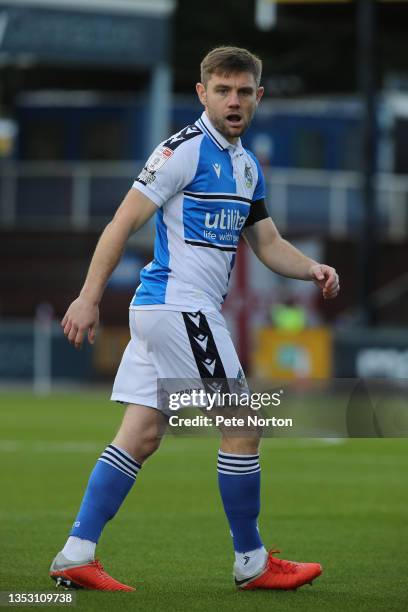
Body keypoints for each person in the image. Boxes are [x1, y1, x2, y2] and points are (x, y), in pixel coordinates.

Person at [50, 46, 340, 592]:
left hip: (167, 313)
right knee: (243, 425)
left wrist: (311, 269)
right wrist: (87, 297)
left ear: (260, 96)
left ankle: (75, 555)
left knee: (141, 435)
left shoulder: (246, 166)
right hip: (179, 306)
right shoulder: (180, 151)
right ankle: (252, 563)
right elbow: (121, 222)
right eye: (223, 90)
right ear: (202, 93)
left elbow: (268, 243)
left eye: (244, 91)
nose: (234, 101)